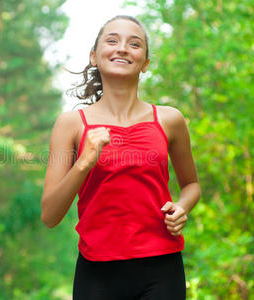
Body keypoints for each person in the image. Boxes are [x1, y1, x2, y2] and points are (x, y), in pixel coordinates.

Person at [41, 15, 201, 300]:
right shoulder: (70, 125)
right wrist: (84, 162)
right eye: (112, 40)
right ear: (94, 56)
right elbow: (50, 215)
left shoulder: (169, 119)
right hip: (97, 275)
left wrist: (182, 207)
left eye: (134, 43)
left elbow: (192, 185)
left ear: (146, 63)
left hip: (162, 268)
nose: (123, 48)